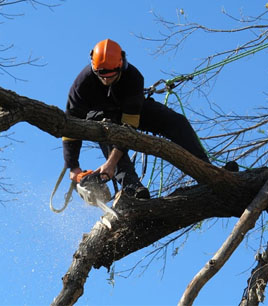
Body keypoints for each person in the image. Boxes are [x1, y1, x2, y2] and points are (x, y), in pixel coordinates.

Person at [62, 39, 210, 199]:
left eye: (111, 76)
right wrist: (73, 167)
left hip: (129, 112)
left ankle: (208, 171)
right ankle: (134, 188)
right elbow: (70, 127)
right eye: (101, 75)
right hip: (100, 117)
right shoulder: (81, 85)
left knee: (175, 121)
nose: (106, 79)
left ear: (120, 66)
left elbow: (128, 129)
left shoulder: (133, 77)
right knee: (105, 129)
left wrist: (111, 164)